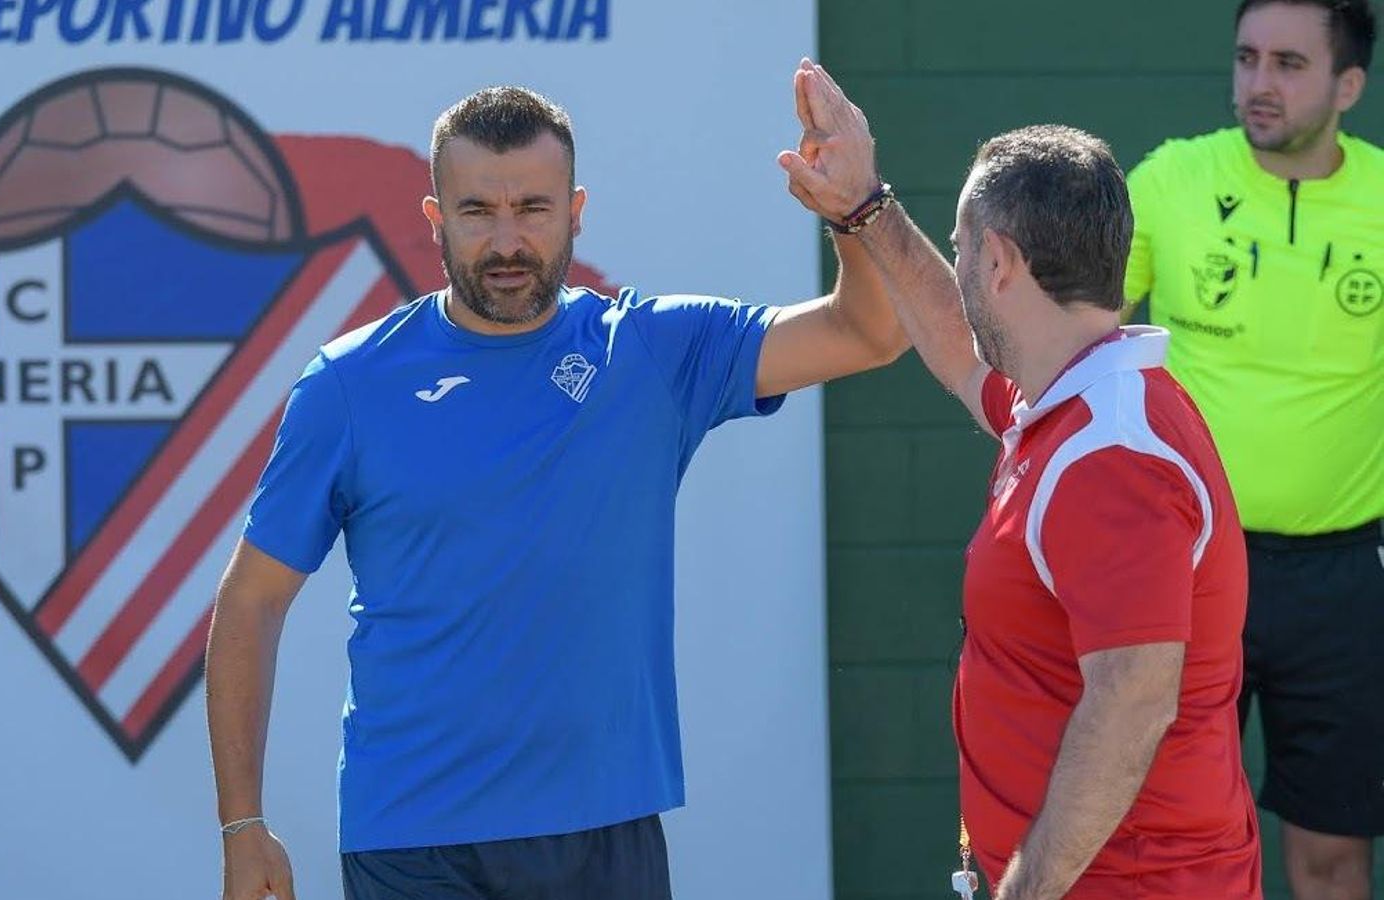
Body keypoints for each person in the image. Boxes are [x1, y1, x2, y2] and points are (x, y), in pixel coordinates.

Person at [205, 77, 907, 900]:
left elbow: (871, 331)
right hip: (413, 839)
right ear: (435, 220)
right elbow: (251, 601)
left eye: (533, 210)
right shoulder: (349, 384)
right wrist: (242, 823)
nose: (507, 242)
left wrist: (855, 210)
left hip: (603, 834)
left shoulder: (650, 350)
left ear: (576, 212)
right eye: (477, 213)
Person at [777, 64, 1262, 898]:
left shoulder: (1113, 454)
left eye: (964, 248)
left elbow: (1133, 702)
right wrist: (865, 208)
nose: (957, 266)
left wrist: (1024, 890)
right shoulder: (1071, 402)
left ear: (1000, 262)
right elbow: (956, 346)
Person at [1123, 2, 1384, 896]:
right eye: (1246, 59)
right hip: (1191, 570)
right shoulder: (1170, 180)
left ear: (1348, 85)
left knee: (1334, 856)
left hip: (1346, 581)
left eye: (1288, 64)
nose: (1259, 84)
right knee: (1172, 847)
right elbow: (1073, 336)